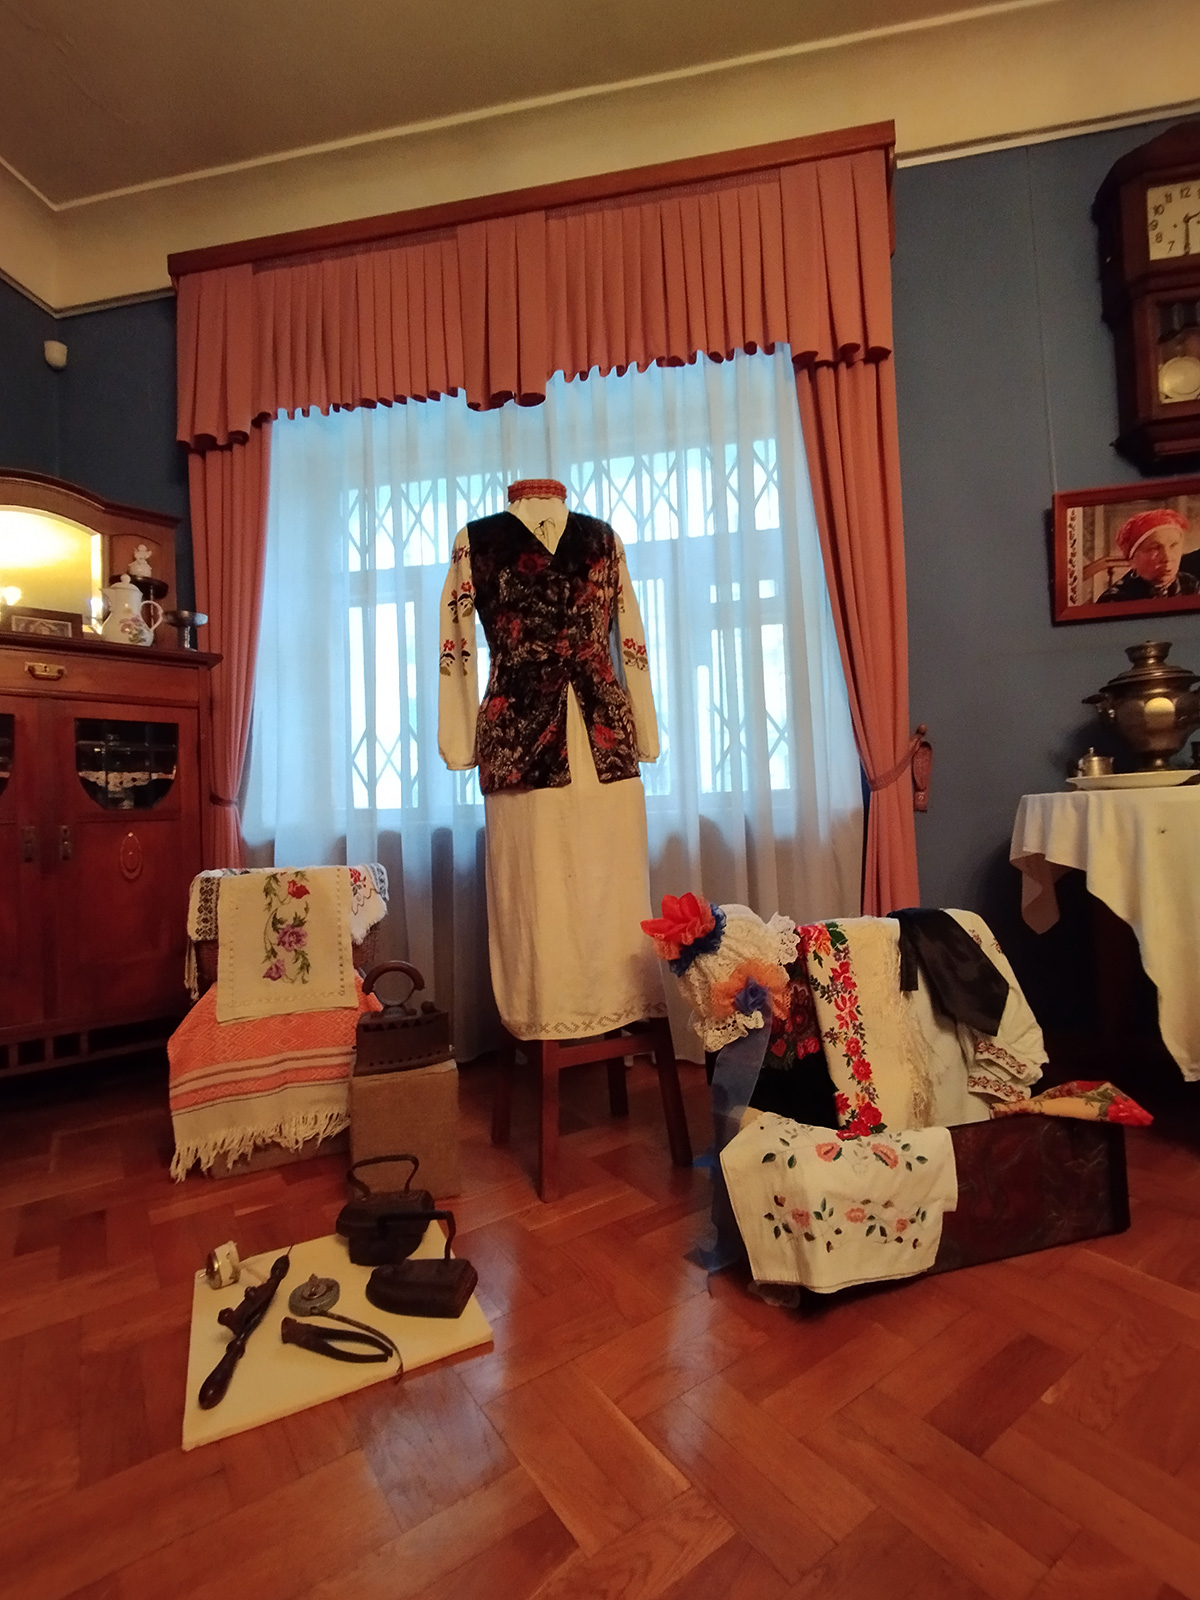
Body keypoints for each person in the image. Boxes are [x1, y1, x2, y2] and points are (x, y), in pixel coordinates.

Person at [1098, 507, 1200, 601]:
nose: (1167, 557)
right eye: (1155, 548)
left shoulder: (1191, 584)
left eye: (1173, 546)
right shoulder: (1115, 599)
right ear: (1132, 560)